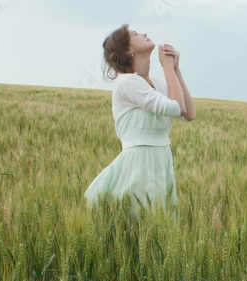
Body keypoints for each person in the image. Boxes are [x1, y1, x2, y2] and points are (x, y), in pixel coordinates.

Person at [84, 24, 196, 213]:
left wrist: (176, 70)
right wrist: (167, 67)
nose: (144, 33)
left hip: (161, 158)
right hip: (139, 161)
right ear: (128, 50)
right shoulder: (127, 82)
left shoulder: (157, 82)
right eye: (135, 34)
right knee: (140, 217)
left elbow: (189, 114)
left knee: (160, 217)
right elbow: (177, 108)